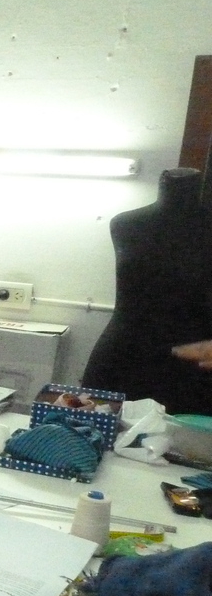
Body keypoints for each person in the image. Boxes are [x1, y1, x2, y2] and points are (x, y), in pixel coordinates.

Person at [83, 167, 212, 414]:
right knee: (91, 432)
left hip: (194, 362)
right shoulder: (124, 224)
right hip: (123, 355)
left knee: (186, 437)